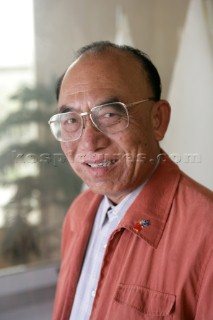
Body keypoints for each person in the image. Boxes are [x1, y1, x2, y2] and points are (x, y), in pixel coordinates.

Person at [49, 41, 213, 320]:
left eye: (110, 114)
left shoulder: (206, 234)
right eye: (71, 120)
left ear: (158, 120)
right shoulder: (79, 213)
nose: (89, 142)